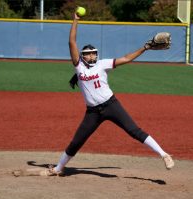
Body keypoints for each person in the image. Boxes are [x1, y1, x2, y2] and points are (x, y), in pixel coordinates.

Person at [48, 12, 174, 176]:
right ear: (82, 56)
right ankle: (58, 168)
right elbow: (71, 41)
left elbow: (127, 58)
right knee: (77, 141)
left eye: (93, 53)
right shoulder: (78, 66)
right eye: (88, 53)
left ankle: (164, 154)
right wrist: (75, 21)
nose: (91, 55)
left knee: (134, 130)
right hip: (92, 112)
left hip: (111, 105)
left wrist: (146, 47)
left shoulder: (102, 64)